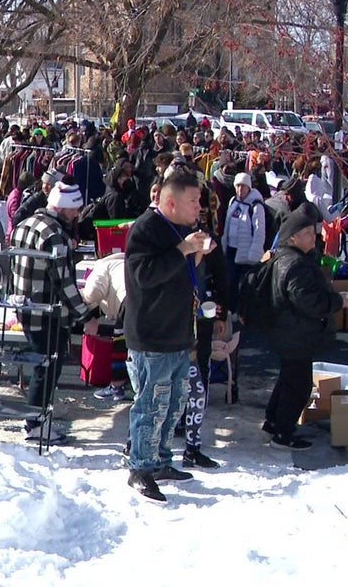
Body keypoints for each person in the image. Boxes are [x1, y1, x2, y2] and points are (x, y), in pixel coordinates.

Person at [123, 170, 216, 502]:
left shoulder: (179, 228)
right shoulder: (145, 228)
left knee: (174, 403)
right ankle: (140, 468)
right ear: (171, 202)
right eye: (193, 201)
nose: (199, 207)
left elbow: (182, 273)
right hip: (152, 334)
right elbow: (144, 275)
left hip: (177, 332)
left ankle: (161, 460)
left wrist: (197, 254)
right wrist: (183, 250)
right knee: (152, 404)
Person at [7, 182, 95, 444]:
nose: (77, 214)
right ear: (65, 207)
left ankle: (36, 420)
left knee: (41, 366)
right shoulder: (55, 235)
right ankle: (35, 424)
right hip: (48, 312)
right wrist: (86, 316)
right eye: (75, 209)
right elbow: (64, 284)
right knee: (47, 368)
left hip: (25, 308)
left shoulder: (25, 224)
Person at [263, 206, 348, 450]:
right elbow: (309, 301)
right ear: (293, 238)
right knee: (298, 385)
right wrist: (338, 301)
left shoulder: (287, 257)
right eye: (308, 233)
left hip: (288, 330)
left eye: (313, 231)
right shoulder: (295, 263)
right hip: (295, 332)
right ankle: (283, 433)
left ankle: (273, 421)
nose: (315, 236)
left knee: (289, 379)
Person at [80, 252, 129, 401]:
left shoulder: (103, 265)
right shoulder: (126, 262)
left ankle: (116, 387)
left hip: (127, 303)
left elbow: (92, 293)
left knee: (120, 345)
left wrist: (82, 295)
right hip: (147, 300)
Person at [221, 172, 267, 312]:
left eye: (243, 186)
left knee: (246, 285)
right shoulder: (233, 201)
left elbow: (259, 231)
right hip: (231, 249)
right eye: (238, 186)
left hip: (246, 252)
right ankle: (232, 310)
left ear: (249, 187)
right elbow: (227, 224)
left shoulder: (256, 206)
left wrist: (254, 254)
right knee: (231, 282)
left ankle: (244, 312)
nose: (240, 189)